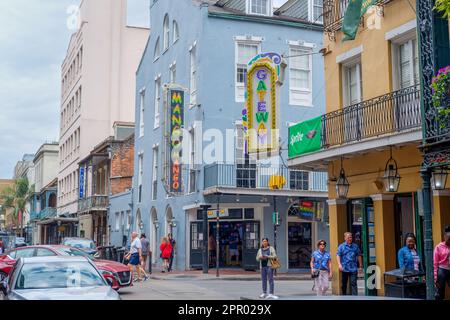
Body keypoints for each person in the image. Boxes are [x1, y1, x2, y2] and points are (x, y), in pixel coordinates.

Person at [434, 226, 450, 300]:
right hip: (442, 269)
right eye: (448, 238)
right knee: (440, 290)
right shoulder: (439, 247)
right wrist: (435, 277)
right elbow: (435, 263)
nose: (449, 240)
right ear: (444, 237)